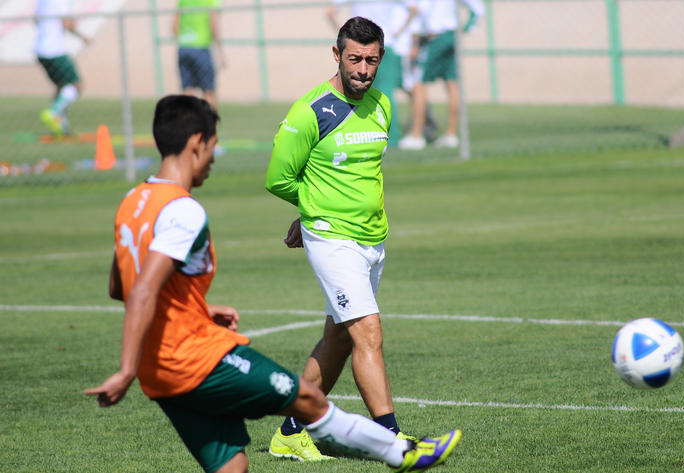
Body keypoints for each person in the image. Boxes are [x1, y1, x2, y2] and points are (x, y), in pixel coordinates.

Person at [83, 95, 461, 473]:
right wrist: (125, 369)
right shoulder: (183, 211)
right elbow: (143, 290)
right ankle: (401, 452)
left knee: (232, 466)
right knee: (308, 400)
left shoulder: (133, 201)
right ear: (197, 143)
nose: (214, 158)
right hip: (197, 360)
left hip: (159, 374)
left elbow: (121, 286)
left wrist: (198, 309)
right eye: (214, 146)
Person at [265, 16, 414, 462]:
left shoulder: (383, 105)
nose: (363, 70)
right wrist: (312, 212)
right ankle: (393, 440)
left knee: (339, 340)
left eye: (372, 60)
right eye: (354, 59)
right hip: (332, 239)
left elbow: (362, 173)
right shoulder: (310, 111)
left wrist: (313, 206)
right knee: (368, 333)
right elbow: (279, 178)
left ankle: (291, 431)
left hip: (373, 240)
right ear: (337, 55)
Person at [326, 1, 418, 148]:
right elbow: (413, 9)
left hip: (357, 47)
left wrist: (346, 40)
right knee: (385, 93)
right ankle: (390, 137)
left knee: (356, 91)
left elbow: (330, 12)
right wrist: (397, 32)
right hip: (383, 44)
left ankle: (358, 134)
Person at [398, 0, 484, 150]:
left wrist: (415, 43)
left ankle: (416, 135)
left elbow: (419, 11)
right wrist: (464, 30)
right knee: (452, 83)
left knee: (418, 83)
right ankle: (451, 134)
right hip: (451, 37)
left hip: (436, 38)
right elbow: (478, 9)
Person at [34, 0, 90, 137]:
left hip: (40, 50)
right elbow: (67, 23)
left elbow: (36, 20)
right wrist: (83, 37)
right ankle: (54, 112)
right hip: (54, 50)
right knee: (76, 85)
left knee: (62, 87)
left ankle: (61, 127)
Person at [173, 0, 225, 111]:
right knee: (208, 92)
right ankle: (210, 121)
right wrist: (221, 52)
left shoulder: (183, 1)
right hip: (201, 47)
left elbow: (174, 27)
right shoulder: (210, 1)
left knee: (187, 92)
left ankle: (187, 121)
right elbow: (213, 25)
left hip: (184, 47)